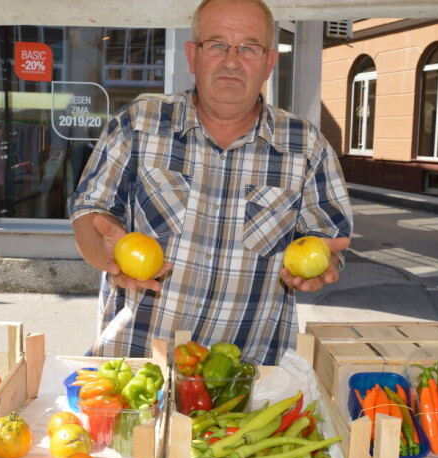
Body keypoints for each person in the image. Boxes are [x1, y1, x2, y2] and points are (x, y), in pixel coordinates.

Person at [69, 0, 353, 365]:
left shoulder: (306, 145)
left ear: (269, 62)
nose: (231, 61)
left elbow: (328, 238)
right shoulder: (137, 124)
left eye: (248, 47)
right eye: (217, 44)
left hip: (246, 379)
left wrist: (326, 262)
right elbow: (89, 212)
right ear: (192, 56)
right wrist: (103, 253)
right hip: (135, 368)